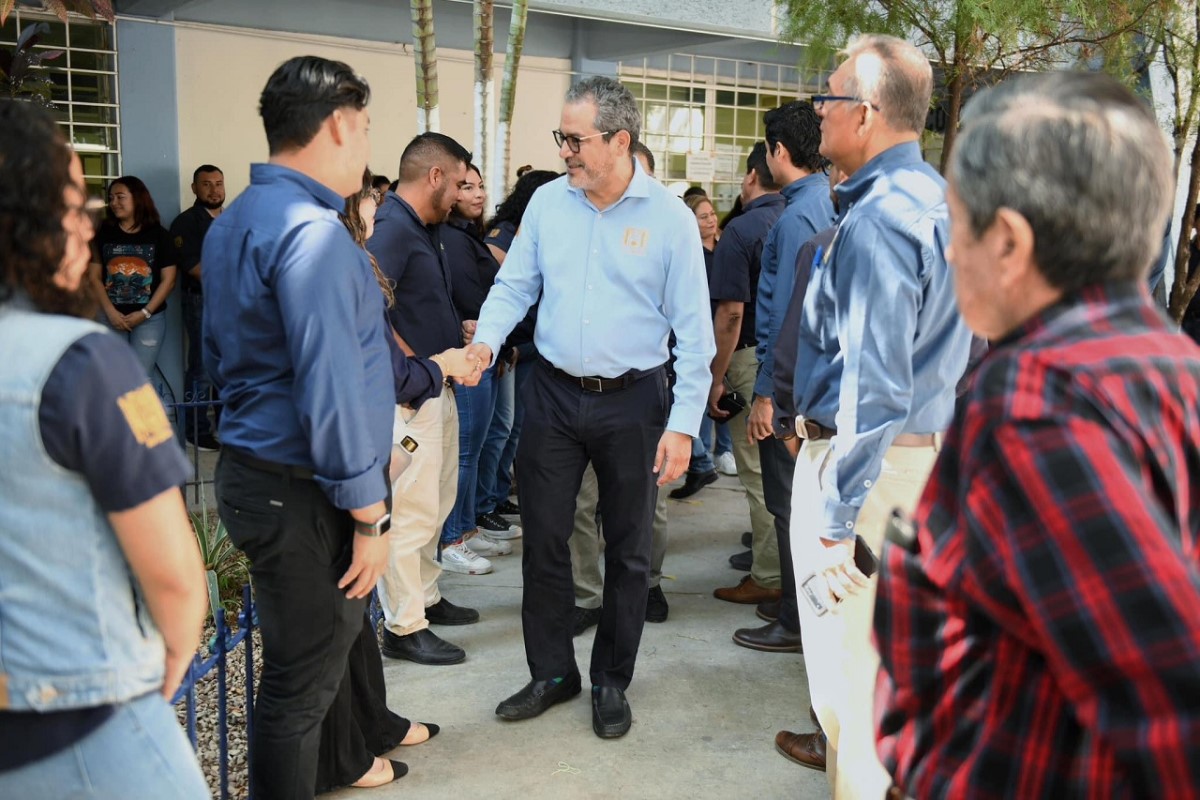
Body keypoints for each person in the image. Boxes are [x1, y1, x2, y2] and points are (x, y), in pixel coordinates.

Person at [876, 70, 1200, 799]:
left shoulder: (1033, 402)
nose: (952, 252)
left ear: (1010, 242)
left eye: (958, 224)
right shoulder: (1176, 363)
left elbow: (1170, 699)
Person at [202, 56, 465, 799]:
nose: (367, 146)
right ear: (342, 122)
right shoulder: (312, 235)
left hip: (263, 472)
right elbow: (333, 388)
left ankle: (356, 748)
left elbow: (226, 355)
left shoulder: (240, 220)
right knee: (301, 685)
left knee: (311, 665)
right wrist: (371, 517)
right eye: (368, 128)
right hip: (299, 487)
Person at [469, 76, 715, 739]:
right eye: (563, 138)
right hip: (551, 393)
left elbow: (695, 334)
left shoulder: (667, 220)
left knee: (629, 549)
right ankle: (552, 673)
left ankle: (611, 680)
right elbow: (514, 284)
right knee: (544, 540)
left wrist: (685, 426)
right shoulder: (550, 203)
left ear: (619, 140)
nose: (565, 151)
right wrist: (485, 345)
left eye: (574, 140)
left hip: (634, 401)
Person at [0, 100, 209, 799]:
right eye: (73, 199)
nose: (87, 221)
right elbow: (174, 572)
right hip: (75, 717)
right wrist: (176, 643)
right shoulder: (81, 363)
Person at [785, 35, 971, 796]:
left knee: (856, 686)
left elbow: (876, 388)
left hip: (870, 472)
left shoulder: (881, 219)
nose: (817, 113)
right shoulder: (936, 202)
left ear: (863, 114)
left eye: (827, 99)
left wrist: (836, 518)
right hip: (912, 463)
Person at [314, 170, 459, 793]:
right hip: (352, 452)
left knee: (353, 622)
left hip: (374, 433)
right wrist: (431, 369)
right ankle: (347, 753)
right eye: (370, 197)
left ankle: (375, 721)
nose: (378, 205)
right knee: (340, 621)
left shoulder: (361, 257)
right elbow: (377, 363)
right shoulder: (350, 260)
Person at [369, 132, 488, 667]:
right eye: (460, 181)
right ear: (435, 176)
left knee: (436, 504)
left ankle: (427, 597)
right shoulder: (392, 227)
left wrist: (451, 331)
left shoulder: (425, 228)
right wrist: (416, 359)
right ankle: (403, 625)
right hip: (410, 394)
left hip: (435, 382)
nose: (464, 192)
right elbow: (367, 308)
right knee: (412, 511)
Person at [717, 102, 836, 609]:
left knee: (787, 503)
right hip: (819, 382)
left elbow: (787, 319)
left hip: (790, 390)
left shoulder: (793, 221)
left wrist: (766, 396)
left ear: (778, 151)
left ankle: (792, 615)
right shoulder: (830, 203)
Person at [568, 149, 674, 631]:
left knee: (645, 507)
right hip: (575, 395)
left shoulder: (666, 225)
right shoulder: (580, 224)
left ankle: (646, 585)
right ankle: (586, 596)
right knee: (580, 504)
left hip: (642, 390)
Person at [704, 140, 795, 647]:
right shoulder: (799, 215)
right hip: (784, 361)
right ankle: (768, 560)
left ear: (752, 177)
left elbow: (731, 313)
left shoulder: (742, 229)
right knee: (774, 473)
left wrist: (716, 375)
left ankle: (767, 575)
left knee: (758, 474)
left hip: (749, 357)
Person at [474, 169, 561, 524]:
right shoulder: (503, 237)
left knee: (511, 428)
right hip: (506, 349)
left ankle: (495, 495)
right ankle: (484, 504)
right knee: (499, 431)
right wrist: (493, 344)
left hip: (523, 348)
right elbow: (509, 293)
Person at [439, 163, 510, 574]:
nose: (477, 194)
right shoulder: (449, 238)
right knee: (464, 453)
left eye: (481, 186)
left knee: (477, 448)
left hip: (483, 350)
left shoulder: (470, 236)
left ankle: (466, 527)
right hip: (464, 352)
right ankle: (452, 537)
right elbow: (470, 296)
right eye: (466, 187)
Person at [90, 175, 179, 382]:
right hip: (109, 316)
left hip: (150, 320)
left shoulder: (159, 235)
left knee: (140, 379)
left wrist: (145, 313)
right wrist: (110, 312)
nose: (114, 203)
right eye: (111, 198)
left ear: (137, 199)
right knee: (110, 378)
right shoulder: (102, 233)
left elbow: (169, 280)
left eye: (120, 197)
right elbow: (93, 277)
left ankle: (138, 416)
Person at [670, 192, 726, 499]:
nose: (710, 220)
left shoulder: (723, 250)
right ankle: (701, 461)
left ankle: (702, 460)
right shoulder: (692, 254)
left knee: (705, 403)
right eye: (702, 216)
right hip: (690, 337)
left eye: (711, 214)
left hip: (718, 335)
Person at [169, 164, 224, 451]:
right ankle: (196, 432)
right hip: (202, 301)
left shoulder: (232, 219)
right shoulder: (186, 222)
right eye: (207, 184)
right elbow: (194, 267)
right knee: (202, 368)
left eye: (218, 183)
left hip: (235, 305)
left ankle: (228, 431)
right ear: (194, 188)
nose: (214, 190)